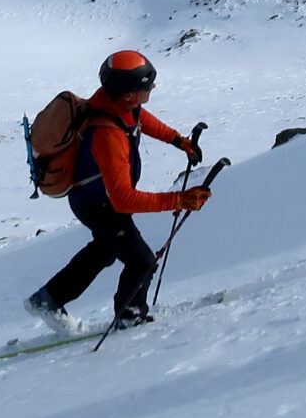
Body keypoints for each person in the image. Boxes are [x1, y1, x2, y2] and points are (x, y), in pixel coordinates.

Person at [26, 49, 210, 328]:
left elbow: (140, 118)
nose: (153, 87)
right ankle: (129, 316)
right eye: (147, 85)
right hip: (100, 205)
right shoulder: (108, 135)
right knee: (142, 262)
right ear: (129, 95)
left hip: (95, 198)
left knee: (104, 250)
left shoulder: (116, 103)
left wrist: (177, 140)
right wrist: (179, 200)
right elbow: (124, 200)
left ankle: (48, 298)